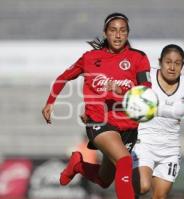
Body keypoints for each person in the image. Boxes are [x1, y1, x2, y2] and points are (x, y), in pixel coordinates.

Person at [42, 12, 151, 199]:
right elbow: (64, 77)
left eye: (122, 31)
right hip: (99, 120)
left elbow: (146, 92)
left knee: (105, 179)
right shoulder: (90, 58)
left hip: (128, 126)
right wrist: (50, 102)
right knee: (124, 161)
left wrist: (122, 93)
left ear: (128, 33)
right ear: (105, 32)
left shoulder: (138, 58)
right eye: (113, 30)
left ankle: (77, 164)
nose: (118, 35)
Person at [131, 44, 184, 199]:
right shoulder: (146, 77)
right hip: (143, 142)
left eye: (177, 63)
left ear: (182, 65)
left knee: (160, 196)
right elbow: (126, 93)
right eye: (168, 62)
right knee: (143, 187)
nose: (172, 67)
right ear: (160, 62)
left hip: (169, 149)